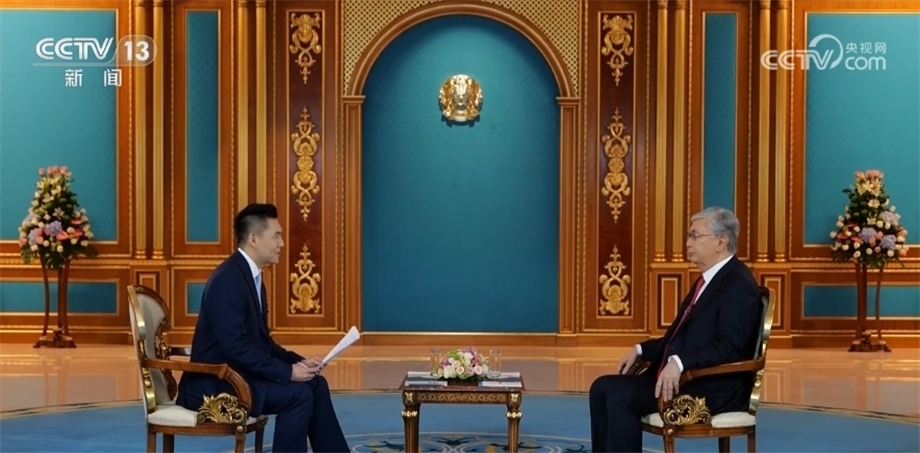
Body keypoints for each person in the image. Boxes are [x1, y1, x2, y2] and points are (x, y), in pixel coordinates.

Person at [177, 203, 349, 453]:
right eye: (276, 236)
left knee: (316, 385)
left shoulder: (250, 276)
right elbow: (235, 348)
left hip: (240, 376)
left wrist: (299, 363)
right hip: (217, 385)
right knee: (298, 396)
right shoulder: (228, 280)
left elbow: (263, 344)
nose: (282, 243)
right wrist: (288, 372)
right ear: (254, 239)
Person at [589, 206, 763, 452]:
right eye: (688, 235)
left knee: (620, 395)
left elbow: (729, 348)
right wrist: (640, 349)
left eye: (695, 236)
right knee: (601, 388)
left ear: (721, 242)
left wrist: (680, 363)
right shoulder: (707, 279)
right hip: (685, 379)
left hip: (710, 387)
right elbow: (679, 337)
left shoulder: (738, 285)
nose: (688, 242)